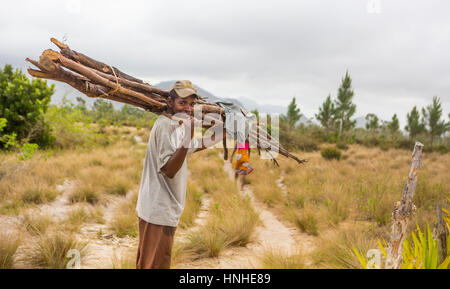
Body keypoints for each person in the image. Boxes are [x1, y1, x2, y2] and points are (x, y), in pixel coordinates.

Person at [135, 80, 226, 269]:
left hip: (161, 210)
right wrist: (187, 136)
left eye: (191, 104)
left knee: (151, 263)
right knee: (155, 264)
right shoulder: (165, 125)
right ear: (170, 102)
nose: (188, 108)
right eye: (182, 103)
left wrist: (222, 134)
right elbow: (169, 170)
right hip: (158, 210)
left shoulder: (176, 124)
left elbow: (193, 147)